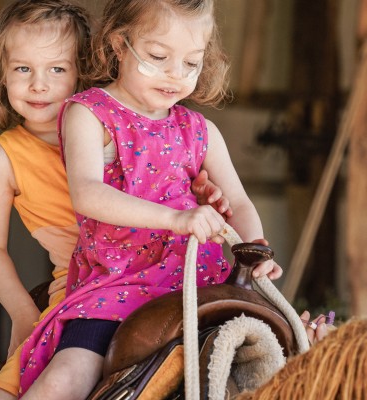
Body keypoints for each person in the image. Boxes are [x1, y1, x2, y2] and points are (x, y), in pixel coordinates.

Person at [17, 1, 286, 399]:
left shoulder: (200, 129)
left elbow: (240, 202)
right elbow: (88, 193)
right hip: (118, 284)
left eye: (191, 63)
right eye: (159, 57)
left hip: (200, 283)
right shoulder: (91, 114)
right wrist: (176, 220)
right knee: (65, 380)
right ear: (119, 44)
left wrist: (256, 249)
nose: (175, 75)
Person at [0, 2, 232, 399]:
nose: (39, 84)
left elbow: (166, 179)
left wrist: (202, 195)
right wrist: (24, 315)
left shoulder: (109, 127)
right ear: (1, 72)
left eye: (57, 69)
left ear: (83, 70)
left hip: (165, 266)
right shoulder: (3, 158)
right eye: (23, 69)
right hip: (86, 285)